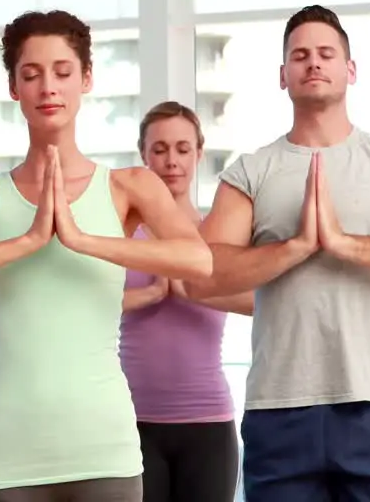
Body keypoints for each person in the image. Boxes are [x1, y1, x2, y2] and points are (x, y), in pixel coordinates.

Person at [0, 11, 214, 502]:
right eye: (31, 75)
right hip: (14, 448)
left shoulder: (128, 186)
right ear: (13, 87)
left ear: (86, 79)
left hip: (103, 445)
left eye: (63, 72)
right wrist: (26, 241)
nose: (48, 86)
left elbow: (199, 261)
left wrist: (82, 239)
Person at [187, 5, 370, 502]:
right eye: (299, 56)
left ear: (350, 69)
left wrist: (343, 243)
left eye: (325, 53)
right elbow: (202, 276)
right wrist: (295, 247)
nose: (312, 63)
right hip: (279, 409)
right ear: (283, 76)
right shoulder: (250, 171)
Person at [120, 101, 252, 502]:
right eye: (159, 150)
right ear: (144, 155)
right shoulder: (124, 232)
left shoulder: (216, 233)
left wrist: (193, 287)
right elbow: (86, 302)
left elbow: (257, 300)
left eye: (181, 149)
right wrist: (150, 294)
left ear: (198, 153)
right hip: (132, 419)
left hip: (207, 422)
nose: (171, 161)